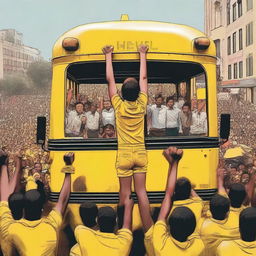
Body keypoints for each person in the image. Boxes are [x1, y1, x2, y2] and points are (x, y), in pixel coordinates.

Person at [102, 44, 153, 241]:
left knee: (124, 194)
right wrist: (142, 55)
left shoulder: (118, 105)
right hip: (140, 152)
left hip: (123, 154)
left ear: (122, 93)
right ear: (138, 92)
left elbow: (110, 79)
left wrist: (108, 56)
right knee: (142, 193)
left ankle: (124, 230)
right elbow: (144, 78)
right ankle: (150, 231)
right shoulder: (142, 104)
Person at [0, 152, 75, 256]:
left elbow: (4, 200)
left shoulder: (10, 229)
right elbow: (63, 200)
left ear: (23, 209)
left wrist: (3, 165)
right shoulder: (50, 226)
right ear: (42, 210)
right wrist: (68, 166)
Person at [152, 147, 205, 256]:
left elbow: (168, 195)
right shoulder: (199, 246)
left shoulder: (160, 245)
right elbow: (168, 195)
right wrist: (174, 162)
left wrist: (174, 163)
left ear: (169, 226)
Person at [199, 168, 240, 256]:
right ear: (228, 212)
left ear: (210, 211)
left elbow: (199, 202)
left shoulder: (203, 225)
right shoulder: (237, 222)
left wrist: (219, 177)